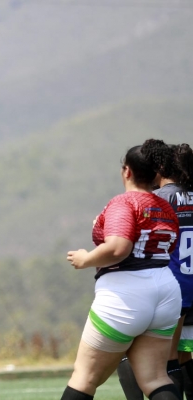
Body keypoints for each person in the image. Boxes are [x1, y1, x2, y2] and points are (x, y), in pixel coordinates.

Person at [62, 144, 182, 400]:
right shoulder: (165, 206)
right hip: (166, 289)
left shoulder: (124, 202)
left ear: (127, 171)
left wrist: (85, 259)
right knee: (155, 378)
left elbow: (118, 248)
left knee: (84, 378)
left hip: (127, 293)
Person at [117, 140, 193, 400]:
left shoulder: (157, 200)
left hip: (167, 286)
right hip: (188, 284)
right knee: (181, 353)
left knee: (135, 350)